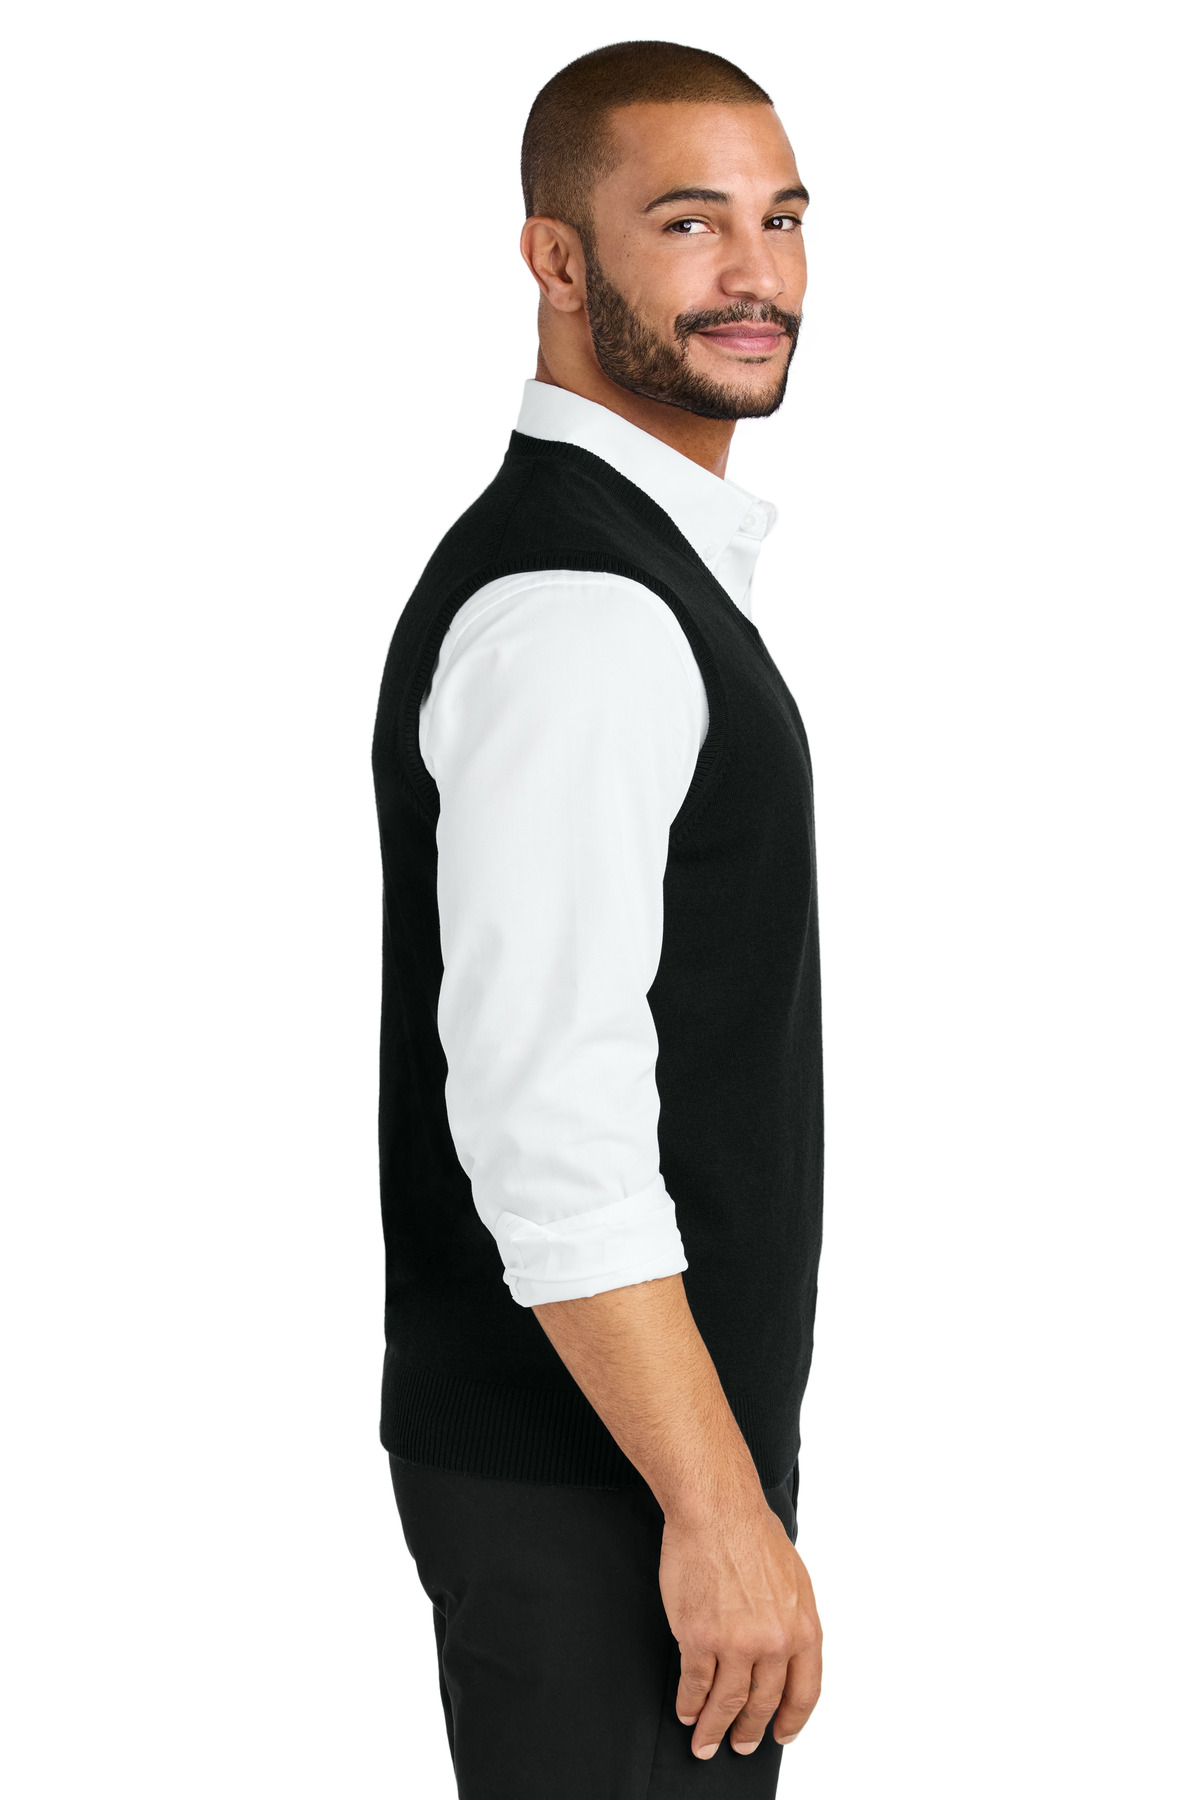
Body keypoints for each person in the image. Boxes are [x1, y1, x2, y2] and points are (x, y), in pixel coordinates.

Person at [373, 39, 824, 1799]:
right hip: (603, 1487)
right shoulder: (583, 609)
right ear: (556, 261)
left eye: (782, 219)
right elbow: (545, 1114)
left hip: (619, 1471)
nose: (756, 273)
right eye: (690, 222)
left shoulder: (629, 572)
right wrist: (715, 1507)